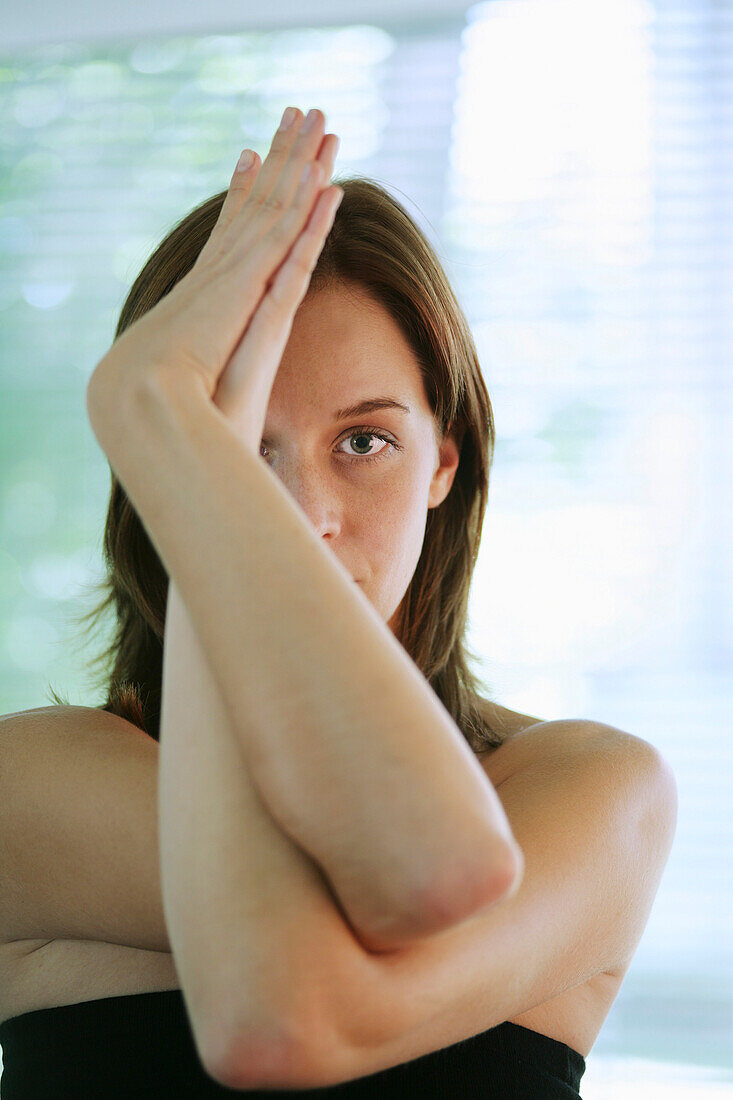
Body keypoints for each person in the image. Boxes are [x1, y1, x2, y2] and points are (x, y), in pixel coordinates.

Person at [0, 106, 677, 1097]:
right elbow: (336, 953)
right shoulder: (30, 777)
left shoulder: (593, 791)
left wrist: (176, 423)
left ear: (443, 462)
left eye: (363, 441)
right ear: (162, 472)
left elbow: (411, 882)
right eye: (236, 449)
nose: (300, 518)